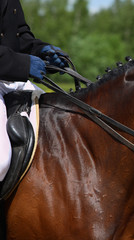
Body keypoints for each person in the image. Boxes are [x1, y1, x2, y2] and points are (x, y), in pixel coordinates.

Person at [0, 0, 68, 182]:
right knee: (1, 161)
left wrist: (42, 51)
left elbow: (18, 35)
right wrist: (23, 64)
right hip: (8, 72)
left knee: (63, 122)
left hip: (11, 78)